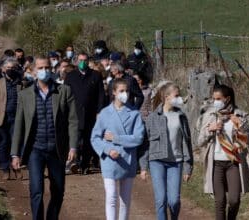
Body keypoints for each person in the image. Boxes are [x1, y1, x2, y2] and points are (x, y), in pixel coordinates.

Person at [10, 57, 78, 220]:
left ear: (52, 69)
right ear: (33, 71)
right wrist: (15, 153)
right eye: (40, 68)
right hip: (36, 149)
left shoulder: (64, 91)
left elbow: (73, 120)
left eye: (47, 67)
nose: (44, 70)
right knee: (36, 190)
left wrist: (73, 146)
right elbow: (19, 124)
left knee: (58, 190)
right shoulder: (25, 95)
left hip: (57, 149)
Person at [91, 78, 145, 220]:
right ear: (114, 92)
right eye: (121, 91)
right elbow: (95, 138)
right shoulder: (104, 113)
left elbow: (139, 138)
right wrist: (108, 150)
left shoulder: (135, 114)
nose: (125, 94)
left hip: (128, 160)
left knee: (125, 199)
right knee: (111, 197)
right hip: (109, 161)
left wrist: (116, 138)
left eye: (127, 91)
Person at [197, 84, 249, 220]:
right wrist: (210, 130)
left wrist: (240, 126)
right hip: (216, 164)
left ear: (227, 99)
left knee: (234, 200)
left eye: (218, 98)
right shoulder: (210, 116)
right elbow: (199, 142)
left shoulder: (239, 115)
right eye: (213, 98)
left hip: (233, 163)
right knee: (219, 201)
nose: (215, 102)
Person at [140, 82, 193, 220]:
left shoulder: (181, 116)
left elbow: (187, 143)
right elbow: (145, 143)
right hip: (157, 161)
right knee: (160, 200)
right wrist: (143, 167)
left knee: (174, 200)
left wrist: (188, 167)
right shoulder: (152, 117)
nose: (179, 98)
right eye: (176, 95)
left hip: (176, 162)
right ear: (166, 96)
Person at [64, 52, 106, 175]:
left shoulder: (95, 75)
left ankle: (85, 164)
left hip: (90, 113)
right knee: (75, 138)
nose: (83, 62)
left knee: (88, 139)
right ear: (76, 61)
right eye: (80, 60)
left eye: (85, 60)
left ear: (88, 61)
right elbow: (65, 94)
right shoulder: (70, 76)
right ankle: (74, 161)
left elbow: (101, 95)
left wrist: (99, 111)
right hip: (74, 112)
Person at [0, 59, 23, 180]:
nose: (10, 69)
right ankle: (5, 168)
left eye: (13, 67)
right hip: (1, 118)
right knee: (3, 143)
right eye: (8, 67)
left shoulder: (21, 84)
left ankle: (16, 167)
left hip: (16, 118)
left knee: (16, 143)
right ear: (3, 69)